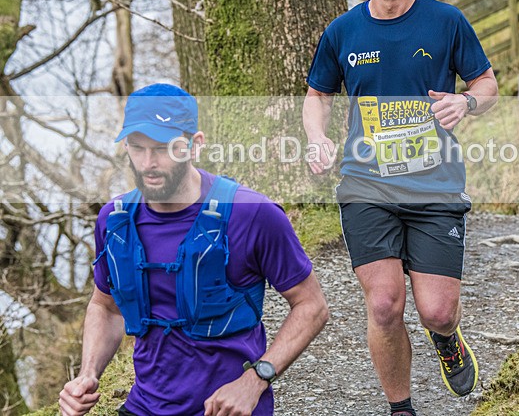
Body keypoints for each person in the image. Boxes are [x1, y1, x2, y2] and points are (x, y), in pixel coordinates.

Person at [303, 0, 498, 416]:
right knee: (385, 304)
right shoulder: (342, 31)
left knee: (437, 310)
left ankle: (447, 338)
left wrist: (467, 104)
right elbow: (317, 94)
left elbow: (487, 86)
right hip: (366, 183)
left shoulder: (446, 21)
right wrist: (317, 137)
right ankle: (401, 407)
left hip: (435, 184)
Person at [59, 84, 328, 416]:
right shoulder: (114, 222)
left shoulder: (253, 214)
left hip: (228, 409)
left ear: (195, 145)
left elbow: (312, 306)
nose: (147, 163)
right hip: (145, 406)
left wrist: (255, 379)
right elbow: (107, 308)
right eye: (136, 147)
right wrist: (88, 374)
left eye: (163, 148)